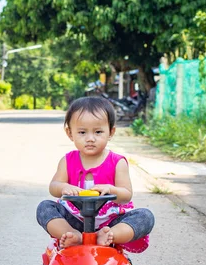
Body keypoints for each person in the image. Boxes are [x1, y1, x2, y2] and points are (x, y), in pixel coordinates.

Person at [36, 96, 155, 251]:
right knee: (44, 207)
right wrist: (63, 187)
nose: (90, 138)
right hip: (76, 220)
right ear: (70, 133)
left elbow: (126, 194)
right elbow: (54, 187)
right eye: (82, 132)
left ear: (111, 132)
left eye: (98, 132)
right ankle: (73, 236)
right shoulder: (67, 160)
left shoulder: (117, 162)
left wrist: (112, 190)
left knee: (145, 216)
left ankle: (108, 236)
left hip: (110, 222)